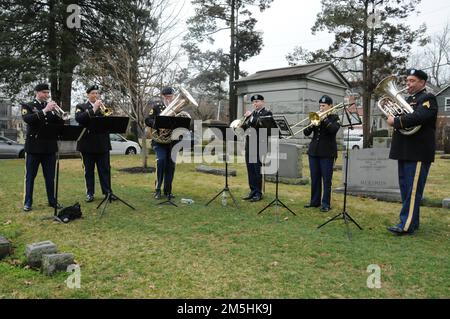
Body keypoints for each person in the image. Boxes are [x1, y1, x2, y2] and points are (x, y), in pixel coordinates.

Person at [386, 69, 438, 236]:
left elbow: (420, 117)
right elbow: (402, 119)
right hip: (404, 149)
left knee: (413, 190)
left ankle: (405, 225)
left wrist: (397, 120)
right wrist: (392, 117)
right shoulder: (408, 100)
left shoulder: (428, 98)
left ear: (422, 82)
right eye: (407, 80)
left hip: (418, 152)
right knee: (406, 189)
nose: (408, 84)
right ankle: (412, 222)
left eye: (412, 81)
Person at [21, 83, 64, 212]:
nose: (46, 95)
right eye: (44, 92)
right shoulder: (28, 105)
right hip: (33, 147)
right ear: (37, 92)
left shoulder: (51, 106)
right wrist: (45, 111)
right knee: (30, 176)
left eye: (47, 92)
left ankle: (52, 201)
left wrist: (57, 112)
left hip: (49, 148)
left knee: (50, 176)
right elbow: (28, 119)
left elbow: (60, 123)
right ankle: (28, 202)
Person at [75, 85, 115, 203]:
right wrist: (93, 109)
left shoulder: (103, 108)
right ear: (88, 94)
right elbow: (80, 119)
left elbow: (109, 121)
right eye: (93, 93)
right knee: (89, 170)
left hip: (102, 144)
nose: (95, 95)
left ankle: (107, 192)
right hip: (87, 145)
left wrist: (102, 110)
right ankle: (90, 193)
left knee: (105, 170)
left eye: (97, 93)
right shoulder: (81, 107)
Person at [303, 95, 341, 212]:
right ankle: (314, 201)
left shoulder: (335, 117)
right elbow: (306, 132)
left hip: (327, 153)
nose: (321, 107)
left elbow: (333, 130)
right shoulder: (315, 116)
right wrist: (311, 124)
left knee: (326, 179)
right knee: (315, 178)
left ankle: (325, 204)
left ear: (330, 106)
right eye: (320, 105)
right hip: (314, 152)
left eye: (323, 106)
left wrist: (324, 119)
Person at [145, 87, 177, 200]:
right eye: (167, 97)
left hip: (172, 141)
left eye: (171, 96)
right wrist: (158, 123)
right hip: (159, 141)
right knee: (161, 161)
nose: (169, 99)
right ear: (163, 96)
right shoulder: (157, 107)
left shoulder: (177, 109)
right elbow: (147, 120)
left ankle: (168, 191)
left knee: (171, 166)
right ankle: (157, 189)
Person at [241, 94, 273, 202]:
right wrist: (243, 122)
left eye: (257, 101)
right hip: (249, 144)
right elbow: (246, 128)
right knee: (250, 169)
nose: (255, 104)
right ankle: (252, 190)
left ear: (263, 102)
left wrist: (251, 117)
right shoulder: (253, 114)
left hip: (259, 145)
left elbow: (260, 125)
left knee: (257, 169)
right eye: (254, 102)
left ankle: (258, 193)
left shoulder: (267, 113)